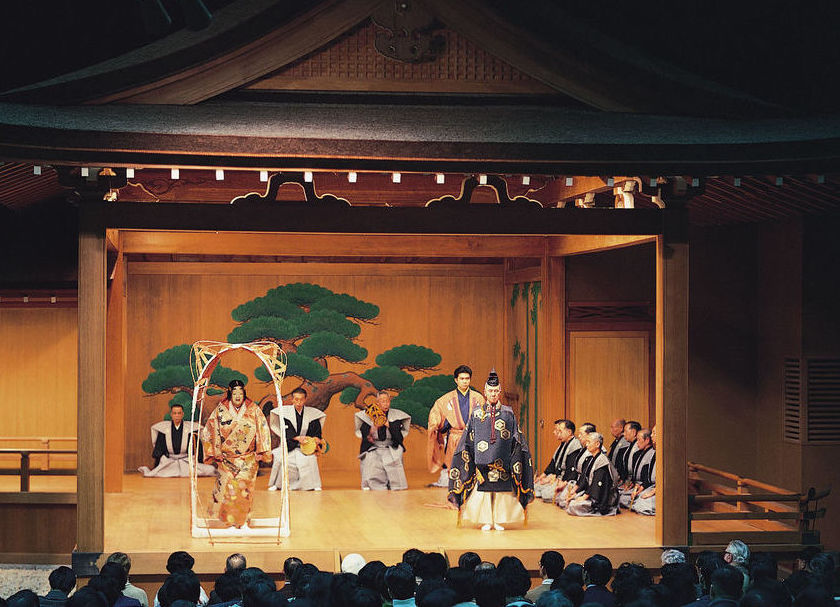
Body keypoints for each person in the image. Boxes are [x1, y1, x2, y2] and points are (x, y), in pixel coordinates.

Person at [448, 369, 534, 531]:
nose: (493, 394)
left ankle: (499, 520)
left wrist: (515, 456)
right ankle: (486, 520)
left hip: (503, 461)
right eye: (490, 391)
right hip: (482, 463)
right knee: (484, 493)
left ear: (499, 392)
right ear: (485, 392)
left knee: (502, 493)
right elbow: (469, 436)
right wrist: (469, 455)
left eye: (496, 391)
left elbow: (516, 437)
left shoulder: (508, 413)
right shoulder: (477, 413)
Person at [201, 380, 272, 528]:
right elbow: (210, 430)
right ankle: (229, 521)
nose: (238, 396)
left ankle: (243, 521)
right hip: (227, 459)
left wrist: (261, 451)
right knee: (229, 490)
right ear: (230, 394)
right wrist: (216, 452)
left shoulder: (253, 409)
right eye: (234, 393)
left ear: (244, 393)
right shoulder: (220, 410)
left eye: (240, 393)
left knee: (245, 490)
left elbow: (263, 430)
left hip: (248, 458)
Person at [427, 365, 485, 488]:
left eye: (467, 378)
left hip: (472, 437)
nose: (465, 381)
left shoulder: (478, 398)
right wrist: (436, 424)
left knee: (472, 465)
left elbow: (484, 418)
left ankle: (471, 486)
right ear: (456, 380)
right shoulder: (446, 399)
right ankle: (455, 489)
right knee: (454, 466)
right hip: (454, 436)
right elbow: (436, 414)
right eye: (462, 379)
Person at [267, 387, 326, 492]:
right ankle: (278, 484)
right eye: (296, 399)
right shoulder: (286, 413)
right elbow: (284, 429)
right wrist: (297, 438)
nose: (299, 402)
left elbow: (316, 431)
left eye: (301, 399)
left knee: (311, 460)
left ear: (305, 399)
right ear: (292, 400)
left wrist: (316, 438)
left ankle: (313, 484)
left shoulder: (312, 414)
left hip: (305, 446)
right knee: (283, 460)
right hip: (290, 444)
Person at [139, 404, 215, 478]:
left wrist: (198, 461)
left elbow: (198, 448)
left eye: (179, 413)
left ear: (182, 414)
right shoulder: (164, 429)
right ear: (171, 415)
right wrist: (159, 463)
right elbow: (159, 449)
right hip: (170, 462)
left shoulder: (190, 429)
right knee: (159, 471)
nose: (177, 415)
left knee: (210, 469)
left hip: (186, 461)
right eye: (175, 413)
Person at [355, 391, 411, 490]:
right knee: (371, 463)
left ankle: (395, 485)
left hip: (390, 447)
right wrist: (372, 431)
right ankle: (372, 485)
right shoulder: (368, 416)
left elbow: (399, 437)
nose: (386, 404)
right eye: (383, 401)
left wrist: (387, 424)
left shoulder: (395, 416)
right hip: (374, 448)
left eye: (387, 401)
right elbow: (365, 435)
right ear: (377, 403)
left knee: (394, 463)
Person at [565, 432, 620, 517]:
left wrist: (584, 497)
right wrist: (575, 493)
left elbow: (597, 485)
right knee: (569, 500)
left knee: (573, 505)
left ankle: (600, 509)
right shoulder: (591, 459)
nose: (586, 444)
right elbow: (584, 479)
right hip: (591, 493)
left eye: (589, 442)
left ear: (597, 444)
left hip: (601, 498)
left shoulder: (602, 462)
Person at [533, 419, 582, 502]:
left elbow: (571, 470)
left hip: (567, 481)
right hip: (558, 478)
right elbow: (552, 465)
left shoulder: (575, 445)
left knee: (545, 494)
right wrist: (543, 477)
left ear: (569, 432)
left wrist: (559, 481)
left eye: (560, 431)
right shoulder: (564, 443)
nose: (557, 433)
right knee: (535, 487)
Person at [554, 423, 595, 508]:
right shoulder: (584, 449)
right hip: (579, 483)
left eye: (581, 434)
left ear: (589, 435)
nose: (579, 436)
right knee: (560, 499)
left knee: (568, 503)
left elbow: (588, 477)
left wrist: (577, 491)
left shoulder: (595, 453)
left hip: (589, 487)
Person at [618, 428, 655, 512]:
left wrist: (640, 489)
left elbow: (647, 478)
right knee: (621, 498)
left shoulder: (652, 453)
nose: (637, 442)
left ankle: (637, 503)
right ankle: (635, 502)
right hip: (637, 486)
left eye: (639, 440)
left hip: (646, 486)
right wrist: (632, 485)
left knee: (640, 502)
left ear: (647, 440)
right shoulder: (638, 454)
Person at [629, 425, 657, 515]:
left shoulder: (657, 452)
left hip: (659, 488)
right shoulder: (655, 452)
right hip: (650, 486)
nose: (651, 435)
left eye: (654, 433)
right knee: (637, 498)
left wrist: (653, 491)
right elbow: (648, 476)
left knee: (640, 504)